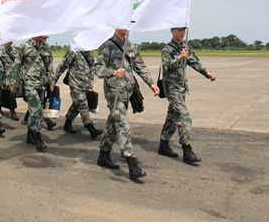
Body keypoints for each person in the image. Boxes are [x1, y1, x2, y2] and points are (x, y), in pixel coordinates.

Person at [94, 29, 159, 180]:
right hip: (114, 93)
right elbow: (97, 69)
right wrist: (113, 72)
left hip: (127, 91)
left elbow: (140, 66)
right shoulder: (107, 45)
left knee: (113, 123)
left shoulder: (129, 45)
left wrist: (151, 83)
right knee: (123, 124)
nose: (127, 27)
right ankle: (132, 163)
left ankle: (103, 155)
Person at [158, 27, 216, 165]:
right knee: (184, 116)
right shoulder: (167, 49)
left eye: (183, 30)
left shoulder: (185, 48)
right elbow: (167, 66)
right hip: (171, 88)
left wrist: (207, 73)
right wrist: (179, 58)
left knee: (172, 115)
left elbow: (195, 62)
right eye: (179, 30)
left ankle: (163, 144)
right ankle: (187, 150)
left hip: (181, 88)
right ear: (172, 31)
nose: (182, 33)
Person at [10, 35, 54, 151]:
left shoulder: (46, 47)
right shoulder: (24, 46)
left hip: (42, 83)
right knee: (36, 109)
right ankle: (37, 136)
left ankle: (30, 135)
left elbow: (49, 65)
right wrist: (13, 83)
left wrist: (51, 82)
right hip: (29, 83)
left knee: (33, 110)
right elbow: (16, 65)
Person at [53, 48, 103, 139]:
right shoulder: (73, 51)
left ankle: (67, 123)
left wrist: (91, 82)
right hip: (75, 83)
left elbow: (92, 67)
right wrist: (54, 80)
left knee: (77, 104)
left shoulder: (89, 50)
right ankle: (90, 128)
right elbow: (62, 66)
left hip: (86, 84)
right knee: (82, 103)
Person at [0, 41, 19, 121]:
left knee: (11, 94)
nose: (10, 42)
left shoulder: (14, 50)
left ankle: (12, 111)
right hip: (1, 75)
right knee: (0, 93)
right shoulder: (0, 50)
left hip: (12, 76)